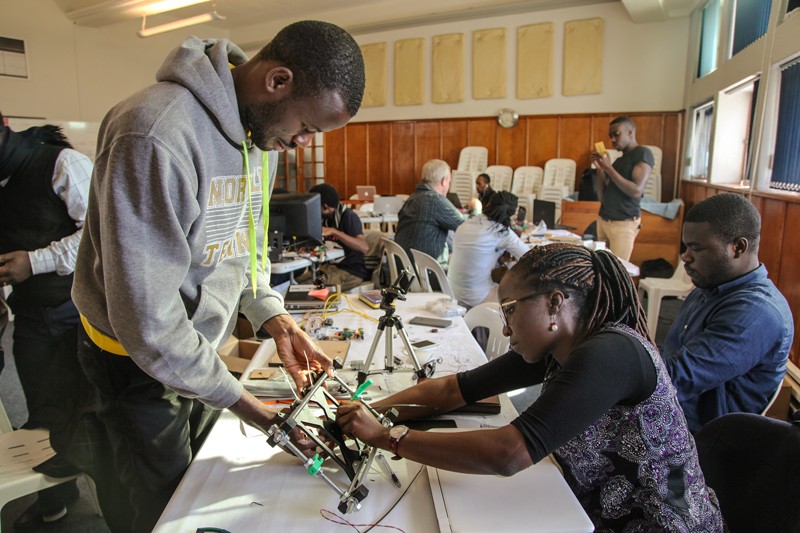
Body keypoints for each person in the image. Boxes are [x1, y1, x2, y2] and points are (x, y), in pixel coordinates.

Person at [70, 21, 364, 532]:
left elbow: (242, 247)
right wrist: (251, 409)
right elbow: (147, 322)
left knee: (200, 489)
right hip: (132, 361)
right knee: (159, 507)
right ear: (278, 81)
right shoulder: (155, 133)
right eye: (308, 128)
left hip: (197, 352)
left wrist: (274, 318)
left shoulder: (261, 137)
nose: (300, 143)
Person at [337, 243, 723, 531]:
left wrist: (389, 438)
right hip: (588, 508)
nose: (505, 327)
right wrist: (369, 414)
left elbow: (509, 453)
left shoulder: (611, 352)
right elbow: (453, 390)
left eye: (510, 309)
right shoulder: (560, 348)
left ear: (555, 303)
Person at [0, 115, 91, 529]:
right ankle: (55, 504)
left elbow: (99, 231)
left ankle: (115, 506)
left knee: (89, 410)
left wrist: (34, 262)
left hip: (78, 312)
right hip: (29, 316)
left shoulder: (62, 164)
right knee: (43, 412)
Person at [662, 193, 793, 434]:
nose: (685, 257)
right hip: (671, 414)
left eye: (696, 249)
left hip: (702, 442)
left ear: (738, 247)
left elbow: (674, 377)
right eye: (686, 246)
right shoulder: (710, 288)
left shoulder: (757, 312)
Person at [447, 191, 528, 308]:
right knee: (520, 298)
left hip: (451, 293)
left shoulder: (465, 224)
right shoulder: (500, 232)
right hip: (477, 298)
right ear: (510, 215)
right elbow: (528, 256)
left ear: (489, 204)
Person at [590, 116, 653, 261]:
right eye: (610, 136)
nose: (612, 140)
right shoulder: (619, 161)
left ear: (630, 132)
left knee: (617, 272)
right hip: (604, 220)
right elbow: (602, 197)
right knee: (600, 268)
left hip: (623, 224)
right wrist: (600, 170)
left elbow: (637, 191)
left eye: (616, 134)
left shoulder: (642, 153)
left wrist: (609, 168)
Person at [394, 159, 477, 265]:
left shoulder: (413, 198)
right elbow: (468, 227)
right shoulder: (435, 200)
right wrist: (476, 208)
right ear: (444, 181)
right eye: (449, 182)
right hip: (426, 273)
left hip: (406, 270)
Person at [303, 183, 369, 291]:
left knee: (308, 288)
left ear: (325, 207)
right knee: (295, 282)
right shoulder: (325, 218)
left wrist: (334, 231)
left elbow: (364, 247)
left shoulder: (348, 216)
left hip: (350, 271)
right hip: (330, 268)